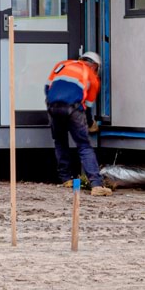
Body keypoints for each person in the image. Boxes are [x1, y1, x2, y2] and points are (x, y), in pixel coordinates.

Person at [45, 51, 112, 196]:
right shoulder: (92, 77)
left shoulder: (62, 65)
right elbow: (86, 107)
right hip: (73, 108)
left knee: (60, 141)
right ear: (95, 66)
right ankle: (96, 184)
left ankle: (66, 179)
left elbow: (47, 87)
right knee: (84, 146)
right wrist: (90, 124)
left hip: (53, 105)